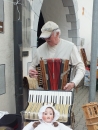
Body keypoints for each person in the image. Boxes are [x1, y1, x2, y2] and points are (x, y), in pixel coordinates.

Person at [29, 21, 85, 90]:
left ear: (57, 34)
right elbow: (32, 66)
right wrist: (31, 73)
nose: (46, 39)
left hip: (65, 91)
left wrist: (73, 83)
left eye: (49, 36)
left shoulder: (70, 47)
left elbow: (81, 68)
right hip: (44, 91)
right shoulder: (39, 50)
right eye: (44, 37)